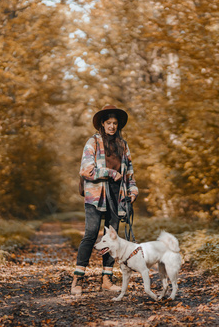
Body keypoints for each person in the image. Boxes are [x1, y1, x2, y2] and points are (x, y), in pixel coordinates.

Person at [71, 104, 138, 295]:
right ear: (102, 123)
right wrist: (109, 173)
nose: (112, 126)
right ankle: (77, 279)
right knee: (91, 234)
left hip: (117, 197)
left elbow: (130, 174)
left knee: (112, 238)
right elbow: (86, 170)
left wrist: (133, 191)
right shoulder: (93, 142)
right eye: (109, 123)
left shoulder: (123, 145)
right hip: (95, 196)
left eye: (115, 123)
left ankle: (107, 280)